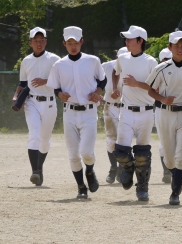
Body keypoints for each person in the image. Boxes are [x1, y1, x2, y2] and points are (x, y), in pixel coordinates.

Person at [46, 26, 105, 198]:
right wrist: (60, 94)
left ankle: (90, 171)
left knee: (86, 152)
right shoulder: (59, 65)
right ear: (64, 43)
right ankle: (81, 187)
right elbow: (55, 86)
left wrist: (98, 93)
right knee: (73, 154)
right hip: (69, 112)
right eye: (69, 43)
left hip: (88, 111)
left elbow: (102, 79)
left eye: (76, 42)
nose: (73, 46)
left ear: (82, 42)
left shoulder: (92, 61)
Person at [148, 31, 182, 205]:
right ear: (169, 47)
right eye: (176, 46)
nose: (180, 49)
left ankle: (175, 192)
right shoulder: (161, 68)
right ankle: (174, 176)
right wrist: (163, 99)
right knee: (169, 157)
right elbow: (151, 90)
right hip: (164, 113)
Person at [111, 25, 158, 201]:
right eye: (126, 39)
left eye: (130, 38)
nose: (126, 41)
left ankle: (143, 187)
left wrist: (137, 83)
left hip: (146, 112)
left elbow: (157, 87)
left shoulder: (151, 62)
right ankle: (128, 168)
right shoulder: (122, 58)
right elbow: (115, 73)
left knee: (142, 153)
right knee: (121, 151)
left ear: (140, 41)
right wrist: (116, 88)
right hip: (126, 110)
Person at [13, 27, 61, 187]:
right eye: (36, 40)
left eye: (42, 40)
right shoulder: (26, 61)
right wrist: (16, 96)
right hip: (31, 102)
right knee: (34, 134)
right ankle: (34, 171)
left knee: (45, 139)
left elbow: (62, 82)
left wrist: (45, 81)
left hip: (49, 102)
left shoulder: (54, 59)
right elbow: (22, 83)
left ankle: (39, 170)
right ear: (30, 43)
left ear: (46, 42)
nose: (39, 43)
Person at [102, 47, 128, 184]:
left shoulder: (132, 68)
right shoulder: (106, 66)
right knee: (111, 139)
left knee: (123, 139)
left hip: (126, 108)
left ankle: (122, 169)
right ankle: (113, 167)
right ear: (117, 57)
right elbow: (96, 82)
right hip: (110, 106)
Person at [157, 47, 173, 184]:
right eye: (165, 59)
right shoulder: (157, 72)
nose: (168, 62)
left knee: (178, 143)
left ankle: (175, 170)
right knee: (164, 142)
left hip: (179, 110)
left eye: (170, 59)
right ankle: (166, 171)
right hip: (161, 109)